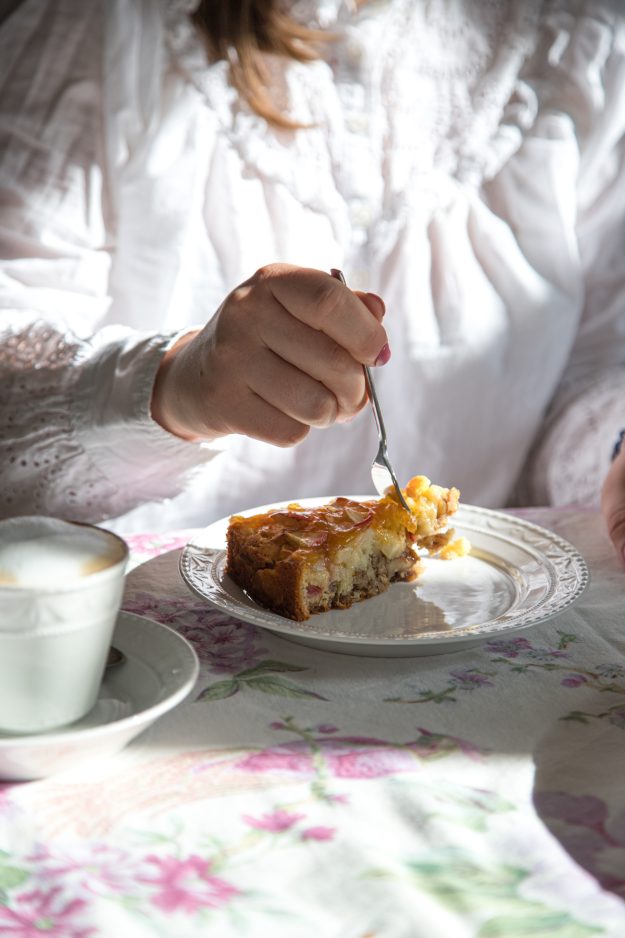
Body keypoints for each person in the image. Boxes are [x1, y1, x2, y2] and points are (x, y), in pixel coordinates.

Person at [1, 0, 625, 562]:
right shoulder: (104, 27)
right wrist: (174, 385)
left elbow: (597, 365)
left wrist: (616, 447)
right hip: (160, 634)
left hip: (472, 628)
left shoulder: (584, 42)